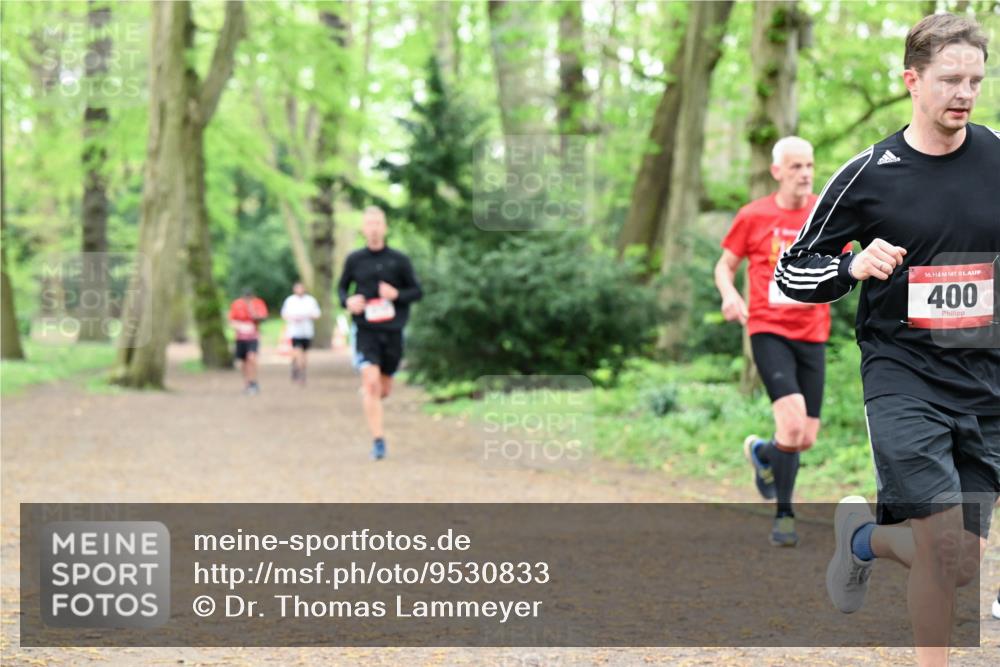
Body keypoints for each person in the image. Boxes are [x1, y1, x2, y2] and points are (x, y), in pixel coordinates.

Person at [774, 14, 998, 666]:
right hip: (902, 375)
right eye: (950, 79)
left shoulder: (997, 158)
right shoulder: (870, 172)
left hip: (986, 378)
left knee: (956, 560)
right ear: (912, 80)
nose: (964, 93)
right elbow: (794, 269)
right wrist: (850, 265)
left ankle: (863, 540)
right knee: (939, 541)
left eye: (975, 81)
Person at [715, 136, 832, 547]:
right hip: (768, 328)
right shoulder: (753, 216)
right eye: (796, 166)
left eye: (810, 166)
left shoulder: (826, 213)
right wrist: (730, 295)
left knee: (806, 437)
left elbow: (848, 261)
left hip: (813, 332)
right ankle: (784, 514)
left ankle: (765, 454)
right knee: (793, 421)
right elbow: (724, 266)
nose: (805, 174)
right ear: (777, 171)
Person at [337, 206, 422, 460]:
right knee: (371, 384)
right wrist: (348, 302)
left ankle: (373, 394)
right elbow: (341, 290)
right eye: (369, 223)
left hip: (393, 331)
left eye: (378, 223)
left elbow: (417, 292)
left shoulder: (399, 260)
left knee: (383, 389)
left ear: (384, 228)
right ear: (363, 229)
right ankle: (378, 440)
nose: (373, 228)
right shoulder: (354, 260)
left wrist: (397, 295)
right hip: (365, 330)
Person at [228, 287, 269, 395]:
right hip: (241, 337)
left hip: (253, 337)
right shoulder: (236, 304)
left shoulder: (258, 303)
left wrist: (253, 313)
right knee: (243, 362)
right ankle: (247, 383)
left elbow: (263, 317)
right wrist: (239, 326)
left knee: (252, 358)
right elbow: (231, 320)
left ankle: (254, 382)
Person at [280, 282, 321, 385]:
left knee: (305, 353)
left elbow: (317, 314)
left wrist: (309, 316)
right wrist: (293, 318)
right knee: (297, 351)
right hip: (295, 331)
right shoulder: (290, 300)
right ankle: (300, 372)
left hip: (307, 331)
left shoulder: (310, 300)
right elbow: (284, 314)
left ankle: (300, 368)